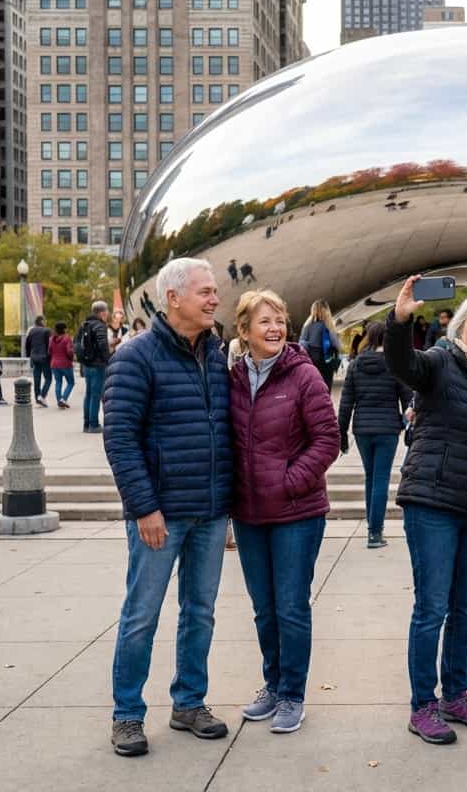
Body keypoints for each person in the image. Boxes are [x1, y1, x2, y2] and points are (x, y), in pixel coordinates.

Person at [103, 257, 233, 758]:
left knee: (200, 613)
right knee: (142, 615)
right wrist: (143, 508)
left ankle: (189, 703)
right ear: (173, 298)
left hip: (211, 509)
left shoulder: (218, 356)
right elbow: (119, 440)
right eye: (204, 291)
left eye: (214, 291)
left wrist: (228, 506)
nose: (213, 299)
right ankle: (127, 715)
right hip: (160, 514)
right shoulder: (135, 357)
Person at [385, 280, 467, 745]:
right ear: (459, 327)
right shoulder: (440, 361)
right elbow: (403, 364)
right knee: (431, 608)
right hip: (433, 502)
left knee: (466, 609)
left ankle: (456, 694)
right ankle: (423, 705)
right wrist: (398, 322)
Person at [228, 288, 341, 736]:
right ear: (244, 331)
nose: (275, 328)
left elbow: (327, 439)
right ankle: (272, 685)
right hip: (249, 514)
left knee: (291, 606)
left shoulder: (303, 375)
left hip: (297, 512)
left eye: (279, 320)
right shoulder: (234, 378)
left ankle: (293, 694)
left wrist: (290, 481)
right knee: (264, 608)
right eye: (264, 321)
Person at [337, 320, 412, 549]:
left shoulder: (356, 365)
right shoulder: (394, 364)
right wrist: (401, 422)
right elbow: (408, 400)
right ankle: (375, 533)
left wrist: (342, 436)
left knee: (371, 477)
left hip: (362, 430)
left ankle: (372, 526)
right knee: (380, 479)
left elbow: (346, 403)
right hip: (387, 429)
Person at [77, 301, 112, 432]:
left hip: (87, 364)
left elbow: (77, 343)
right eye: (107, 312)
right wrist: (108, 360)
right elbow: (103, 345)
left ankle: (86, 424)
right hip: (98, 365)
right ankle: (94, 424)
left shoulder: (84, 324)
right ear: (102, 312)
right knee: (96, 395)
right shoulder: (100, 326)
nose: (108, 314)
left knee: (89, 394)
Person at [299, 299, 341, 392]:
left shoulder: (307, 325)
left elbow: (301, 343)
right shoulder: (329, 325)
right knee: (325, 389)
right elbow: (337, 345)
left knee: (312, 389)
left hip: (311, 359)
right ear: (326, 311)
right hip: (326, 360)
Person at [25, 315, 53, 407]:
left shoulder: (31, 331)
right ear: (41, 321)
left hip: (34, 358)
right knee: (48, 378)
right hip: (45, 357)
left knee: (37, 379)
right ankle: (42, 396)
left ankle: (37, 398)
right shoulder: (47, 330)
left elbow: (27, 344)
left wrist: (29, 355)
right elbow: (50, 344)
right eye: (45, 320)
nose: (46, 322)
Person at [49, 321, 76, 409]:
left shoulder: (51, 339)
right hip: (65, 364)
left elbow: (49, 351)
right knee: (71, 382)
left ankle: (59, 401)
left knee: (58, 382)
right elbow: (69, 351)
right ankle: (63, 399)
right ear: (64, 329)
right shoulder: (66, 338)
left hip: (54, 364)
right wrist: (72, 357)